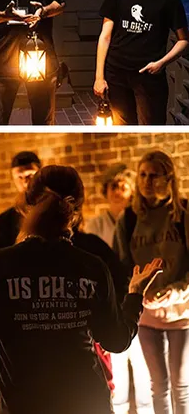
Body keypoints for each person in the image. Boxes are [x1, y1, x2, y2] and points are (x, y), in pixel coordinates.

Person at [0, 165, 160, 414]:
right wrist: (134, 295)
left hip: (23, 402)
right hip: (84, 399)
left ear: (26, 205)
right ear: (77, 209)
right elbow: (116, 340)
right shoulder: (91, 266)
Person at [116, 151, 189, 414]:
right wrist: (135, 292)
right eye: (142, 175)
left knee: (182, 386)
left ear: (168, 177)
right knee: (158, 385)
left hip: (180, 312)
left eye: (153, 175)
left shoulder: (183, 212)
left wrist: (174, 292)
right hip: (146, 314)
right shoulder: (129, 218)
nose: (146, 181)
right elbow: (122, 266)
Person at [94, 0, 189, 125]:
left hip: (149, 76)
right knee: (121, 126)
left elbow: (183, 40)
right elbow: (105, 37)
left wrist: (161, 63)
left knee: (152, 126)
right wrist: (99, 77)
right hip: (117, 72)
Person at [89, 163, 152, 414]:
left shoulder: (137, 221)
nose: (118, 191)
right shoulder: (96, 225)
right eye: (113, 186)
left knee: (142, 362)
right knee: (116, 362)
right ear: (106, 191)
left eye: (123, 186)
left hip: (136, 297)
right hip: (110, 302)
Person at [0, 151, 42, 250]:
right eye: (19, 177)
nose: (25, 182)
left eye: (30, 175)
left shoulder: (55, 214)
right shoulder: (3, 222)